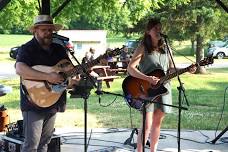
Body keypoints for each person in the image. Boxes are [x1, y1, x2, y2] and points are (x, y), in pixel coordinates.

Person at [127, 18, 196, 152]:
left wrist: (187, 69)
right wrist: (147, 78)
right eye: (155, 28)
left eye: (160, 28)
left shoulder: (166, 48)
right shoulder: (143, 47)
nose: (159, 31)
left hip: (164, 89)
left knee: (157, 123)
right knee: (146, 124)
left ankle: (153, 150)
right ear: (148, 31)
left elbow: (170, 69)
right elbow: (130, 68)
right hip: (146, 89)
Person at [15, 14, 71, 152]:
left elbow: (68, 69)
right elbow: (20, 69)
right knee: (31, 146)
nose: (48, 33)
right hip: (33, 103)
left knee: (44, 144)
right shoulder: (27, 48)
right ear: (35, 30)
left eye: (50, 30)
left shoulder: (59, 49)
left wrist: (73, 78)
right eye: (44, 30)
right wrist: (47, 76)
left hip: (52, 100)